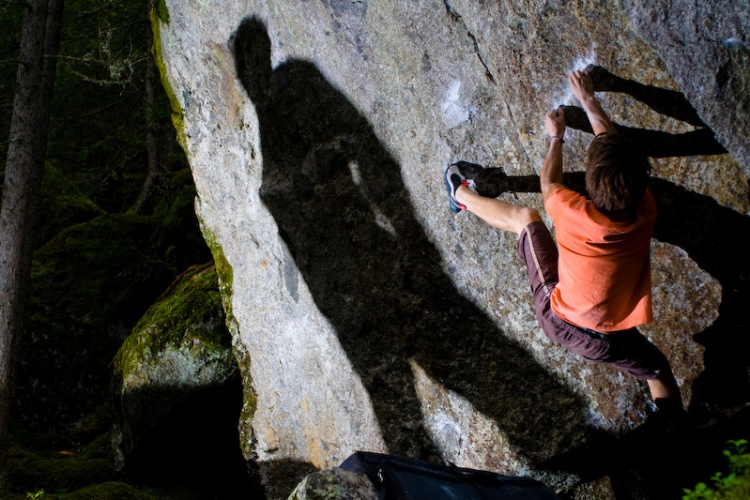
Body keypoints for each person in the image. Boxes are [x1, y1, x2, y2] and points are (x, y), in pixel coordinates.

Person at [444, 69, 686, 430]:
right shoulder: (645, 209)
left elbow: (549, 182)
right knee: (657, 370)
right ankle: (675, 429)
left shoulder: (572, 209)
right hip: (609, 331)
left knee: (525, 218)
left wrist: (556, 138)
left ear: (590, 185)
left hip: (562, 317)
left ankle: (459, 193)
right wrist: (590, 102)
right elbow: (617, 155)